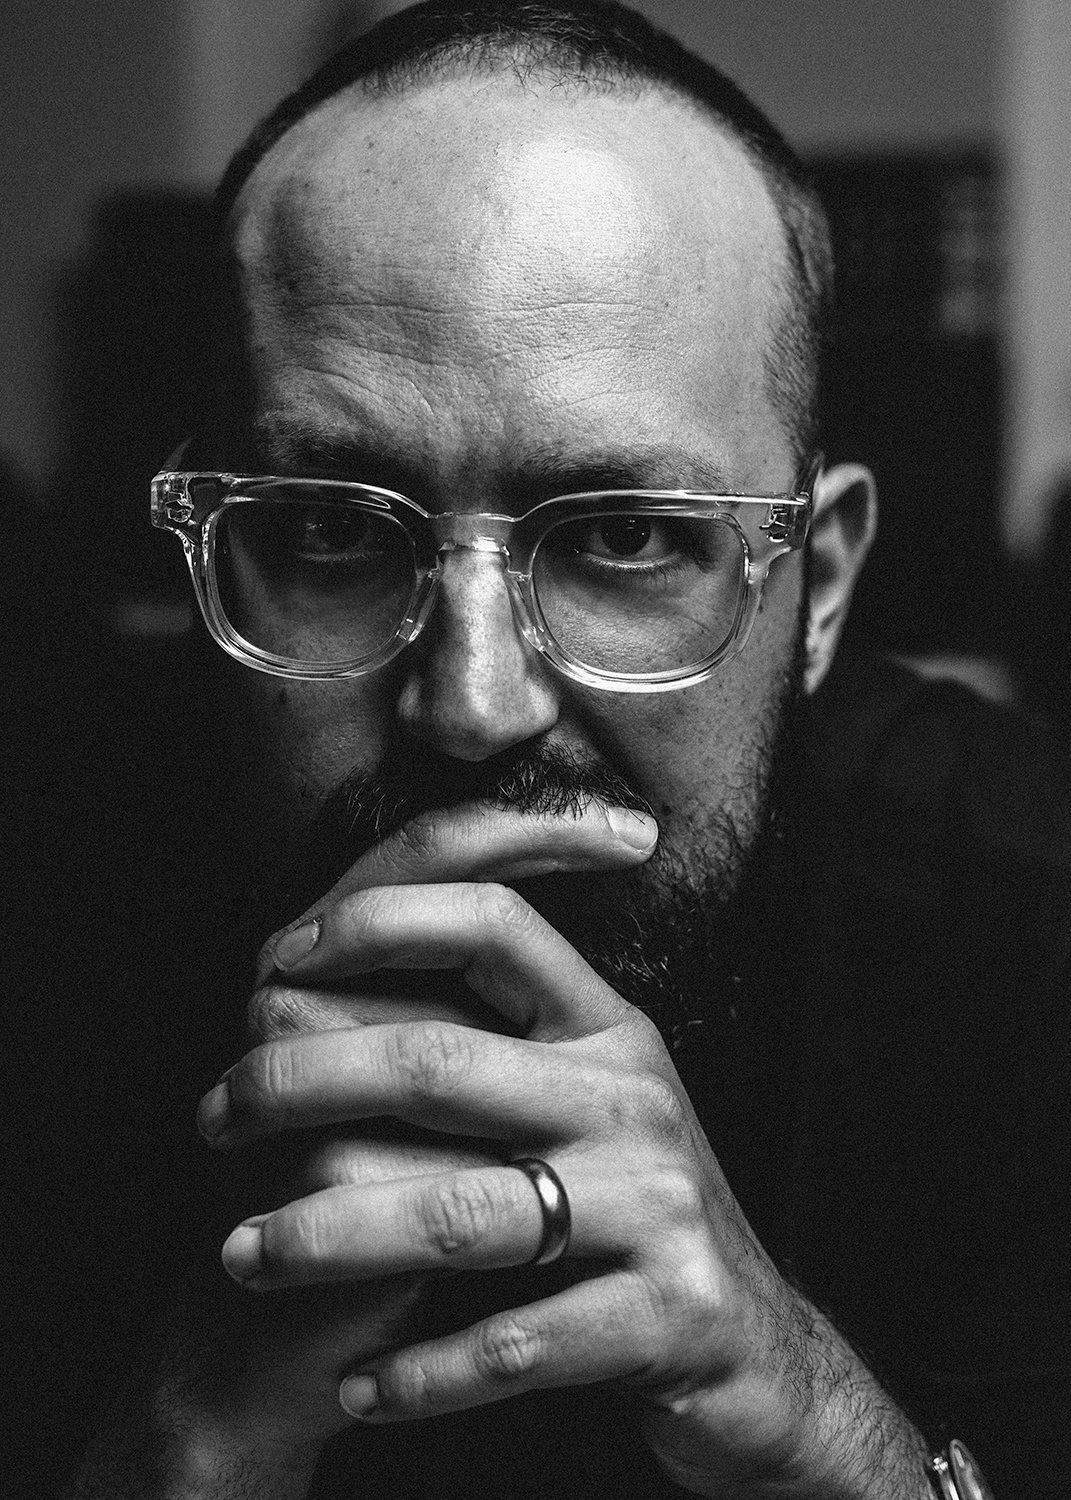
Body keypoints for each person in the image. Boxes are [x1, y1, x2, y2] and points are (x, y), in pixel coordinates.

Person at [58, 2, 1069, 1497]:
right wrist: (183, 1450)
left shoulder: (1026, 929)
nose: (473, 708)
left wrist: (827, 1436)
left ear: (819, 590)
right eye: (333, 532)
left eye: (626, 540)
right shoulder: (48, 915)